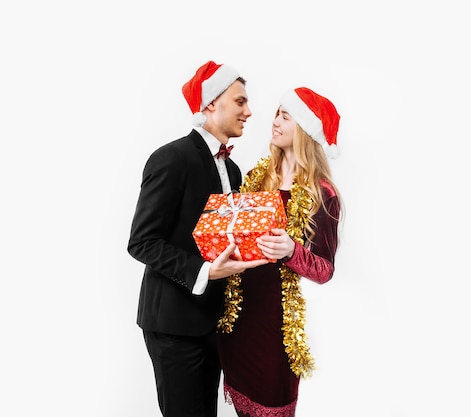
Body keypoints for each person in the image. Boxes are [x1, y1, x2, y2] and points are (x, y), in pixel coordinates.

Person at [127, 59, 269, 417]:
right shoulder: (171, 159)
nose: (249, 112)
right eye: (240, 102)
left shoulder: (233, 169)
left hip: (214, 324)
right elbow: (141, 241)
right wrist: (204, 272)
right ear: (210, 104)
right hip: (174, 326)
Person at [216, 87, 343, 417]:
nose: (274, 121)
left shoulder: (321, 193)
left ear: (303, 130)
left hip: (276, 328)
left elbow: (325, 270)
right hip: (240, 316)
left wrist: (291, 250)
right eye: (276, 113)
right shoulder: (257, 179)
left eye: (285, 116)